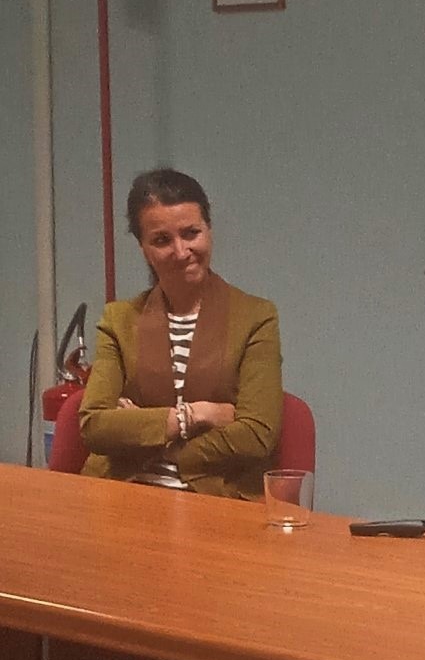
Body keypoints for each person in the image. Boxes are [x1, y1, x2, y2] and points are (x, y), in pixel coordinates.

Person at [79, 169, 283, 499]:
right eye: (162, 240)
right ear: (143, 247)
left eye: (191, 233)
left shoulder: (256, 318)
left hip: (215, 501)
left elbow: (258, 434)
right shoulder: (119, 320)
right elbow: (93, 427)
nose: (181, 250)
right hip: (122, 496)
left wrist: (152, 438)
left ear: (209, 230)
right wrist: (195, 416)